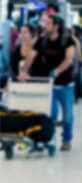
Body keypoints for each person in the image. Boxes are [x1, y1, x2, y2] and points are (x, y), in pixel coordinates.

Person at [19, 15, 76, 151]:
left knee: (67, 116)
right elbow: (31, 56)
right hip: (49, 85)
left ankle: (66, 139)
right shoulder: (42, 41)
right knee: (50, 115)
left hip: (65, 85)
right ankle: (49, 138)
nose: (45, 26)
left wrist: (56, 71)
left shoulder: (67, 40)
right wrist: (24, 71)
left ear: (56, 26)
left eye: (48, 23)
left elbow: (69, 59)